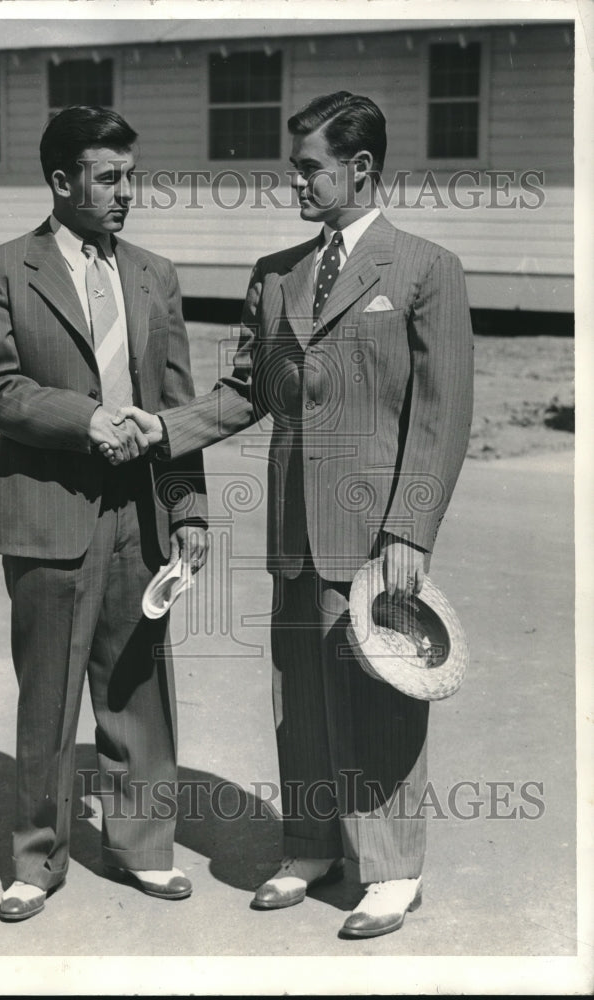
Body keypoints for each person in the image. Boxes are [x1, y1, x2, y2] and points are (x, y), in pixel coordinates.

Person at [118, 92, 474, 938]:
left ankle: (390, 870)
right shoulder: (276, 274)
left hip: (377, 532)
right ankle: (310, 847)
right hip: (291, 529)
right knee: (299, 696)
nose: (297, 184)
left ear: (359, 168)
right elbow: (247, 392)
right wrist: (162, 429)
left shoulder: (425, 268)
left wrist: (407, 532)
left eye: (311, 168)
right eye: (295, 168)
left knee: (380, 694)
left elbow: (441, 415)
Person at [0, 105, 208, 922]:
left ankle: (142, 848)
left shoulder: (153, 273)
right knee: (49, 694)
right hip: (47, 510)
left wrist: (189, 510)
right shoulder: (2, 270)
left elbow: (177, 404)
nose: (124, 193)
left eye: (129, 177)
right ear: (62, 181)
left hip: (140, 511)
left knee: (137, 683)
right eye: (107, 178)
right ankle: (37, 859)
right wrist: (84, 419)